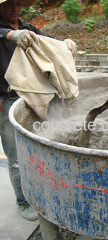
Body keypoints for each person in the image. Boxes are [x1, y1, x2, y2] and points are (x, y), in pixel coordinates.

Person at [0, 0, 77, 221]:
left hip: (34, 96)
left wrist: (65, 43)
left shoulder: (28, 29)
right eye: (8, 5)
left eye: (18, 4)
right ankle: (23, 200)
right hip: (6, 99)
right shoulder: (7, 31)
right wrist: (8, 35)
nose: (14, 8)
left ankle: (49, 186)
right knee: (16, 153)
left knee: (47, 141)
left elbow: (48, 42)